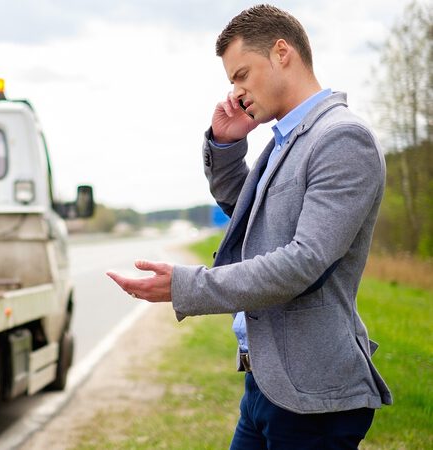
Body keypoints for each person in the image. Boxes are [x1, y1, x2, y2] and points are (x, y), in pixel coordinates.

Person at [106, 4, 392, 449]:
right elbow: (247, 214)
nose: (237, 93)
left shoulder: (341, 138)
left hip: (313, 397)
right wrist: (226, 144)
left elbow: (304, 263)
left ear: (282, 53)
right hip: (267, 384)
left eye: (242, 75)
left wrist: (187, 286)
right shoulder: (284, 139)